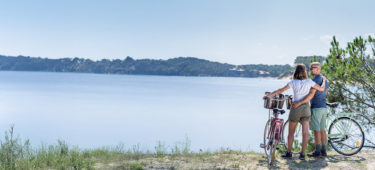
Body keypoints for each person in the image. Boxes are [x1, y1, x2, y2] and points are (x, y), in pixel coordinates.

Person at [263, 64, 326, 160]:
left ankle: (289, 153)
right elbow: (321, 89)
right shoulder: (309, 81)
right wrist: (324, 81)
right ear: (305, 71)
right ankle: (302, 154)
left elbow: (281, 90)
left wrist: (269, 96)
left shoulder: (293, 82)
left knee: (291, 133)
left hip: (296, 107)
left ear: (295, 72)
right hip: (306, 108)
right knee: (305, 133)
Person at [303, 62, 329, 158]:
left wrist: (300, 102)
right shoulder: (324, 80)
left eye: (313, 68)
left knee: (316, 130)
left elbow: (311, 94)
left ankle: (317, 151)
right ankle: (323, 150)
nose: (311, 69)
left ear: (318, 69)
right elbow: (325, 93)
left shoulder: (314, 80)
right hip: (323, 107)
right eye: (310, 68)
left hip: (316, 107)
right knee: (323, 130)